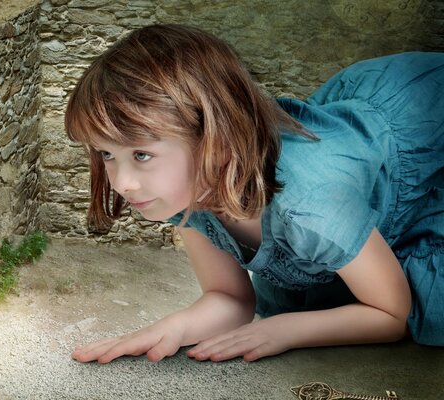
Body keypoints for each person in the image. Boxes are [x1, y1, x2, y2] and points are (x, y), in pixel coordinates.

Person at [64, 24, 444, 363]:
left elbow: (391, 313)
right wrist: (173, 328)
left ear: (215, 141)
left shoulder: (312, 206)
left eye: (142, 154)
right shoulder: (185, 190)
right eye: (107, 154)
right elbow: (230, 297)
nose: (121, 182)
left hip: (421, 127)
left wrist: (284, 332)